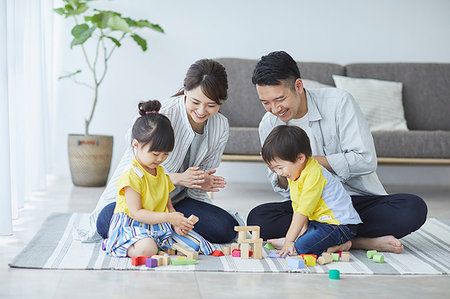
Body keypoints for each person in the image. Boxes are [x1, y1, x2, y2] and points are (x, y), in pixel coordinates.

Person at [247, 51, 428, 253]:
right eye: (266, 103)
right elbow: (282, 188)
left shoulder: (339, 102)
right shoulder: (268, 124)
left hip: (355, 201)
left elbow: (366, 160)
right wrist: (282, 170)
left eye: (279, 99)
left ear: (298, 86)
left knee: (412, 208)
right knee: (258, 219)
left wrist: (308, 164)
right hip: (309, 208)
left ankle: (327, 237)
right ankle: (360, 241)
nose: (274, 109)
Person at [75, 59, 239, 244]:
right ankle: (164, 231)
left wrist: (201, 181)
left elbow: (200, 175)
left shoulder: (220, 126)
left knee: (225, 228)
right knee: (106, 221)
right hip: (136, 201)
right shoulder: (162, 115)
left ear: (221, 102)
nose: (202, 111)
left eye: (211, 105)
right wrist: (178, 178)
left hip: (175, 202)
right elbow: (135, 171)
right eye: (195, 102)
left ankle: (157, 231)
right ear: (185, 90)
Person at [105, 100, 214, 257]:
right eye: (155, 154)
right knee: (147, 249)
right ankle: (119, 245)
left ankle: (158, 243)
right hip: (133, 225)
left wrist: (176, 224)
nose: (160, 159)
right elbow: (137, 213)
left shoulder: (161, 173)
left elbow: (168, 206)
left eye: (165, 154)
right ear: (136, 145)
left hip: (158, 225)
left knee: (196, 245)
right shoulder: (131, 175)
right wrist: (169, 218)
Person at [261, 125, 362, 257]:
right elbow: (297, 205)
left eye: (280, 167)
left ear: (300, 158)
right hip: (321, 223)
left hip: (339, 225)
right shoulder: (294, 172)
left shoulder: (314, 173)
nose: (279, 173)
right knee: (303, 240)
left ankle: (339, 246)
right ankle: (300, 242)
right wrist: (301, 233)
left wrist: (289, 241)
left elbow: (303, 211)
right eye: (275, 169)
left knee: (302, 247)